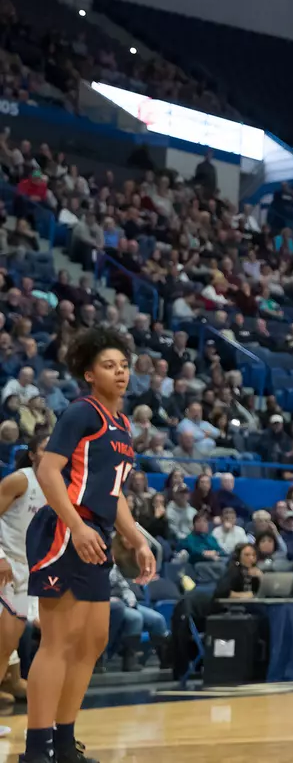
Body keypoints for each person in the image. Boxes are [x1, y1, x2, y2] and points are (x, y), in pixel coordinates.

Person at [23, 327, 155, 763]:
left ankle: (64, 743)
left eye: (123, 365)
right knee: (58, 642)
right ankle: (36, 750)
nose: (120, 372)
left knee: (92, 641)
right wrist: (76, 526)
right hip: (64, 530)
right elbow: (47, 472)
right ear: (88, 374)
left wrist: (137, 539)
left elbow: (112, 495)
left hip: (95, 531)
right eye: (109, 366)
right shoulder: (82, 412)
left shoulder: (122, 424)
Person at [0, 435, 48, 703]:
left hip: (30, 573)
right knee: (3, 644)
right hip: (4, 565)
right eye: (45, 448)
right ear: (32, 455)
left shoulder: (58, 486)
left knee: (7, 646)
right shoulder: (20, 480)